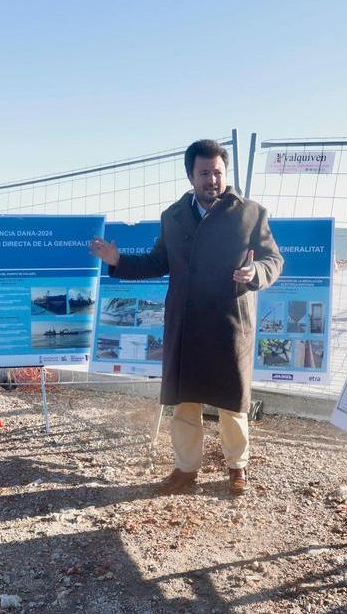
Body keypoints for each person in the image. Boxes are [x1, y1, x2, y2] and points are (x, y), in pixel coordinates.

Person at [90, 139, 283, 495]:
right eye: (204, 173)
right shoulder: (173, 217)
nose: (212, 180)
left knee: (232, 404)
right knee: (185, 402)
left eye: (218, 172)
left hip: (230, 323)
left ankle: (237, 467)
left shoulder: (251, 213)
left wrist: (254, 271)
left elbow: (274, 261)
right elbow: (157, 262)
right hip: (186, 322)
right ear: (191, 176)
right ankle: (185, 468)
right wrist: (118, 261)